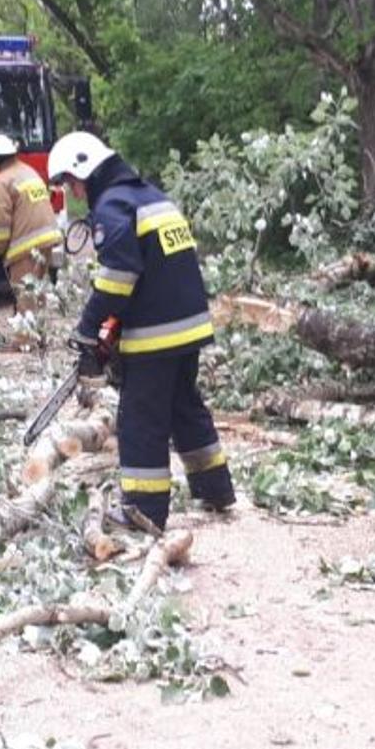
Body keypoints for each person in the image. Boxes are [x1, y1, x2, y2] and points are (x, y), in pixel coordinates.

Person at [49, 131, 234, 530]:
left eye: (70, 182)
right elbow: (150, 270)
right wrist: (111, 332)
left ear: (85, 170)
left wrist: (87, 329)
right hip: (188, 325)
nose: (73, 192)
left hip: (157, 332)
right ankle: (215, 487)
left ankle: (143, 510)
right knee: (184, 408)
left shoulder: (113, 205)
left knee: (140, 418)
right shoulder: (151, 196)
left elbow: (119, 277)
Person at [0, 134, 60, 313]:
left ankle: (25, 340)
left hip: (26, 244)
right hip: (47, 238)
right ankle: (38, 335)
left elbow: (2, 222)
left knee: (24, 293)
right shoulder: (28, 171)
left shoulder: (1, 181)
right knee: (37, 290)